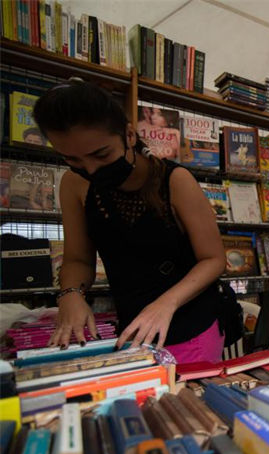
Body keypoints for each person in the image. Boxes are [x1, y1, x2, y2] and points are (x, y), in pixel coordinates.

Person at [34, 80, 226, 363]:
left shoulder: (175, 181)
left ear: (129, 135)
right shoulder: (73, 184)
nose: (90, 169)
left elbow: (213, 259)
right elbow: (77, 260)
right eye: (71, 159)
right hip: (132, 330)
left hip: (190, 326)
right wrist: (71, 294)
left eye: (101, 154)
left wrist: (166, 303)